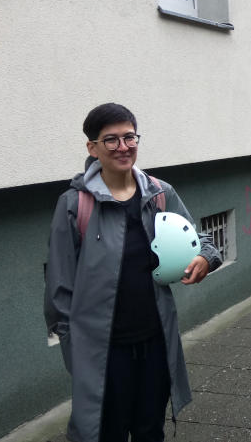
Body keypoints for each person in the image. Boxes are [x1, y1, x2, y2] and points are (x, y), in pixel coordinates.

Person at [44, 102, 222, 442]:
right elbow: (59, 291)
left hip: (155, 342)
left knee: (150, 430)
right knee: (107, 432)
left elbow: (199, 239)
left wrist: (205, 258)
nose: (123, 147)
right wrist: (75, 355)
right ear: (92, 147)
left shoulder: (159, 193)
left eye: (129, 137)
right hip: (104, 352)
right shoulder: (75, 205)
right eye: (111, 139)